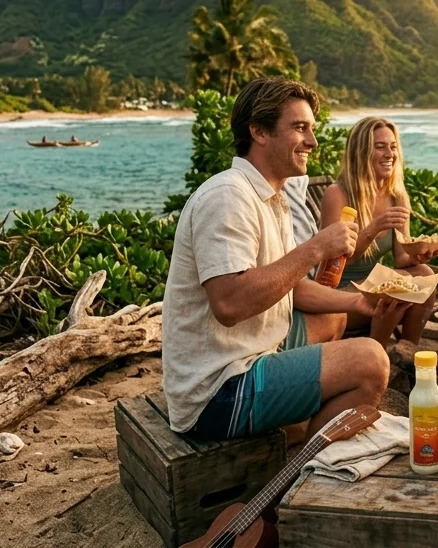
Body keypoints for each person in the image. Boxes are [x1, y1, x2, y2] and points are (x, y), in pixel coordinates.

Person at [161, 77, 404, 443]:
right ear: (259, 131)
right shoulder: (228, 197)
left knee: (334, 317)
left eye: (311, 129)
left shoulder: (271, 197)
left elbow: (293, 286)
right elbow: (229, 304)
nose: (313, 141)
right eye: (299, 128)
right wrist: (315, 248)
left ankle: (299, 429)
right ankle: (306, 462)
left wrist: (359, 302)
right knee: (370, 361)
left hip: (255, 350)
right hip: (217, 391)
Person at [319, 117, 438, 346]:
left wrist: (419, 254)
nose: (389, 154)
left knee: (425, 274)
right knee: (393, 292)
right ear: (361, 153)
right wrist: (372, 229)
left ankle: (408, 350)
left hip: (374, 287)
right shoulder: (338, 194)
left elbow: (402, 259)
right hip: (339, 295)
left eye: (393, 147)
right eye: (380, 147)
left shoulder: (397, 196)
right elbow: (334, 262)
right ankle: (376, 351)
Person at [281, 174, 347, 346]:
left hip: (303, 291)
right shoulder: (337, 193)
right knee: (371, 355)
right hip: (266, 331)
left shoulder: (287, 193)